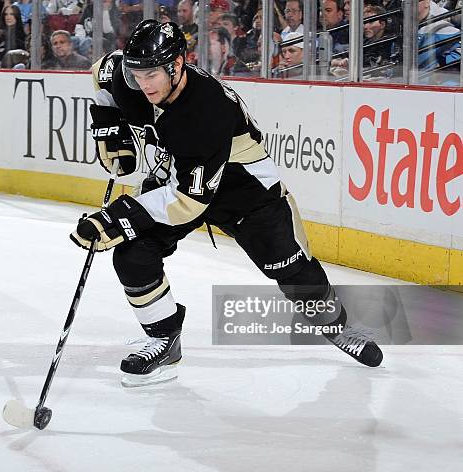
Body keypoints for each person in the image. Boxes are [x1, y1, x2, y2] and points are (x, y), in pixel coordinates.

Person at [72, 20, 384, 387]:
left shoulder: (206, 111)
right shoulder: (129, 73)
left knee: (293, 271)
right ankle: (163, 339)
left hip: (246, 194)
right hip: (182, 177)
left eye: (152, 74)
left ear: (177, 64)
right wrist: (110, 127)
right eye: (138, 74)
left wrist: (119, 217)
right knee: (133, 253)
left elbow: (189, 201)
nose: (143, 84)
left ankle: (336, 326)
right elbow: (102, 72)